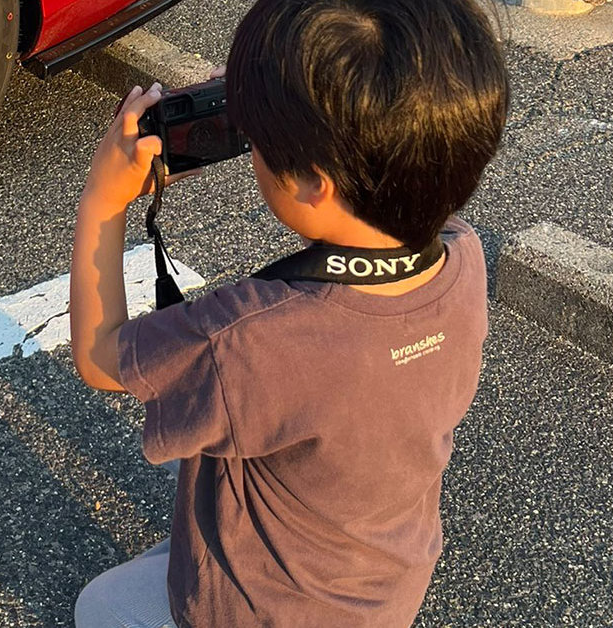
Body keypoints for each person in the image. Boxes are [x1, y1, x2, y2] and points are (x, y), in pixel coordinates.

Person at [68, 0, 509, 625]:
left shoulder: (253, 338)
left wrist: (103, 199)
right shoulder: (463, 259)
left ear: (313, 182)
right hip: (385, 583)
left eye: (260, 140)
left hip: (266, 611)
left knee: (102, 605)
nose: (252, 147)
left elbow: (98, 355)